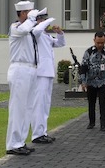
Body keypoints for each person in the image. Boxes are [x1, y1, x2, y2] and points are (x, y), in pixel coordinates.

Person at [5, 1, 49, 156]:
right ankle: (13, 144)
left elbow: (37, 30)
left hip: (30, 69)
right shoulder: (16, 27)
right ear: (22, 13)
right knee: (18, 108)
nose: (33, 15)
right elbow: (24, 29)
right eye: (29, 12)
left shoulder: (29, 30)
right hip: (20, 69)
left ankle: (20, 142)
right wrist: (31, 19)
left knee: (27, 108)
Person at [31, 8, 65, 144]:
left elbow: (61, 43)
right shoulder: (36, 33)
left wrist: (60, 33)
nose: (46, 23)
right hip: (40, 73)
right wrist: (47, 22)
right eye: (43, 19)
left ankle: (42, 132)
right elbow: (37, 30)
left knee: (45, 104)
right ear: (38, 20)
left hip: (48, 73)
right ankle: (37, 134)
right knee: (39, 104)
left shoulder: (46, 36)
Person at [81, 31, 105, 131]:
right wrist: (83, 82)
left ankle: (103, 124)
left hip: (103, 81)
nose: (100, 45)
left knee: (103, 103)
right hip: (91, 81)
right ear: (94, 40)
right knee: (91, 103)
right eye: (98, 43)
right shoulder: (88, 52)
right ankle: (91, 122)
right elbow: (83, 67)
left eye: (102, 43)